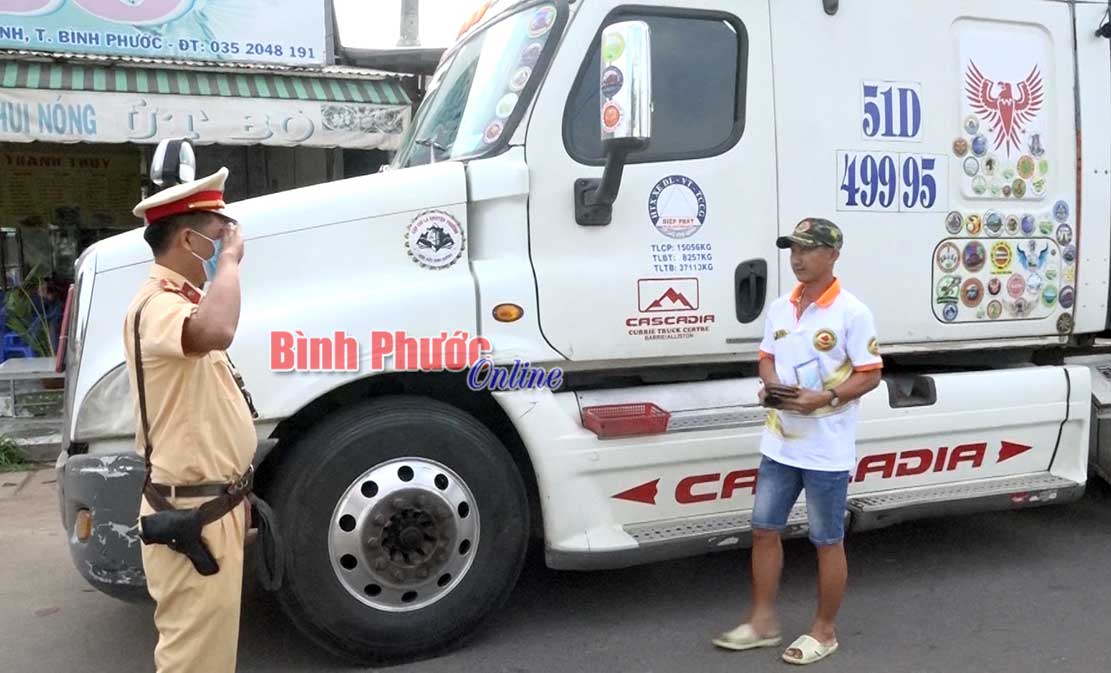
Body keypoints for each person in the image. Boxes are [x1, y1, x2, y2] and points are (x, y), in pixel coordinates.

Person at [712, 217, 883, 665]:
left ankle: (824, 632)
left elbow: (871, 374)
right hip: (780, 444)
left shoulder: (852, 311)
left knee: (827, 540)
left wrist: (825, 396)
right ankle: (763, 622)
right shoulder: (781, 307)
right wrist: (771, 387)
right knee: (764, 530)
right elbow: (766, 357)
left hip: (826, 449)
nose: (798, 259)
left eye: (808, 250)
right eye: (793, 250)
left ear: (833, 255)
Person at [124, 166, 257, 673]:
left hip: (211, 505)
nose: (227, 242)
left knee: (211, 653)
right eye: (218, 234)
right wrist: (231, 265)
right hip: (192, 510)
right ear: (188, 237)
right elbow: (218, 330)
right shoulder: (157, 306)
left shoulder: (181, 303)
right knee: (194, 661)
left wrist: (237, 496)